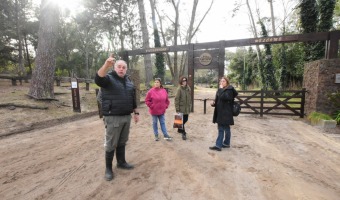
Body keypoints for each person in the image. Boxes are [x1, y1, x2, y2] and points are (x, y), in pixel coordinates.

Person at [95, 55, 139, 181]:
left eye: (124, 67)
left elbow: (132, 99)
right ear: (114, 68)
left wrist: (136, 112)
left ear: (126, 69)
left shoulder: (129, 81)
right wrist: (105, 65)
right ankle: (108, 169)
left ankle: (121, 162)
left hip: (126, 116)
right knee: (111, 144)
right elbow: (98, 79)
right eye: (119, 67)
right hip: (113, 117)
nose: (121, 69)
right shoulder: (108, 79)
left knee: (122, 141)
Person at [209, 76, 238, 151]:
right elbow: (218, 100)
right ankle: (226, 143)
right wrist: (213, 103)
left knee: (221, 128)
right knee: (226, 128)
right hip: (220, 112)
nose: (222, 83)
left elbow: (225, 97)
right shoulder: (220, 90)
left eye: (223, 81)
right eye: (221, 81)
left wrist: (221, 89)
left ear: (227, 82)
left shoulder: (230, 90)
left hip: (226, 113)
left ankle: (218, 145)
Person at [174, 76, 192, 140]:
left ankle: (179, 128)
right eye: (183, 81)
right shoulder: (179, 89)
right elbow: (176, 99)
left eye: (185, 80)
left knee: (186, 119)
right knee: (181, 120)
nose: (184, 82)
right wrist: (177, 108)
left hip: (186, 107)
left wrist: (190, 105)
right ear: (181, 81)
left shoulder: (188, 88)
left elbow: (189, 98)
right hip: (181, 107)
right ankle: (183, 133)